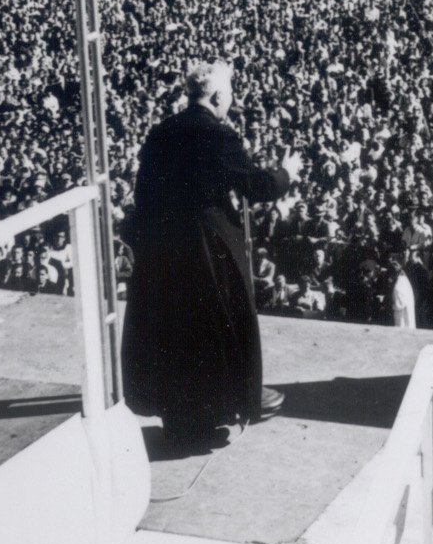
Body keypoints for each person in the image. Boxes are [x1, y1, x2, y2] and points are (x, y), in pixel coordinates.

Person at [120, 59, 304, 451]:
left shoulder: (161, 131)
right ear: (218, 95)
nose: (232, 100)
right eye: (230, 94)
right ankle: (210, 417)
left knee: (175, 334)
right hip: (205, 251)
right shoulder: (217, 135)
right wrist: (286, 172)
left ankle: (180, 419)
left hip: (163, 250)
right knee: (212, 331)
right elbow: (257, 185)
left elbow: (142, 192)